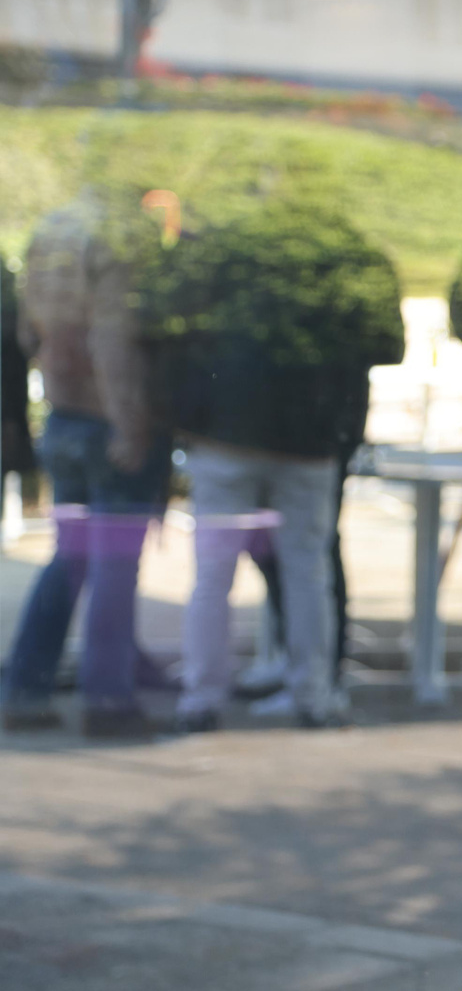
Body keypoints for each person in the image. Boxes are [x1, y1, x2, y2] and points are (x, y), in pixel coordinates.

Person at [157, 198, 404, 731]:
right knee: (306, 572)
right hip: (303, 438)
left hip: (230, 434)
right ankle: (312, 694)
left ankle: (203, 697)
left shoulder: (229, 249)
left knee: (217, 573)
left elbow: (178, 331)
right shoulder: (346, 254)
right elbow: (387, 342)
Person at [1, 194, 173, 738]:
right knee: (113, 565)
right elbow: (112, 336)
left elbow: (30, 333)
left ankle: (25, 688)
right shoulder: (120, 235)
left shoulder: (55, 226)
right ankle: (109, 700)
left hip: (65, 414)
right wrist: (129, 423)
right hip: (106, 420)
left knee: (71, 558)